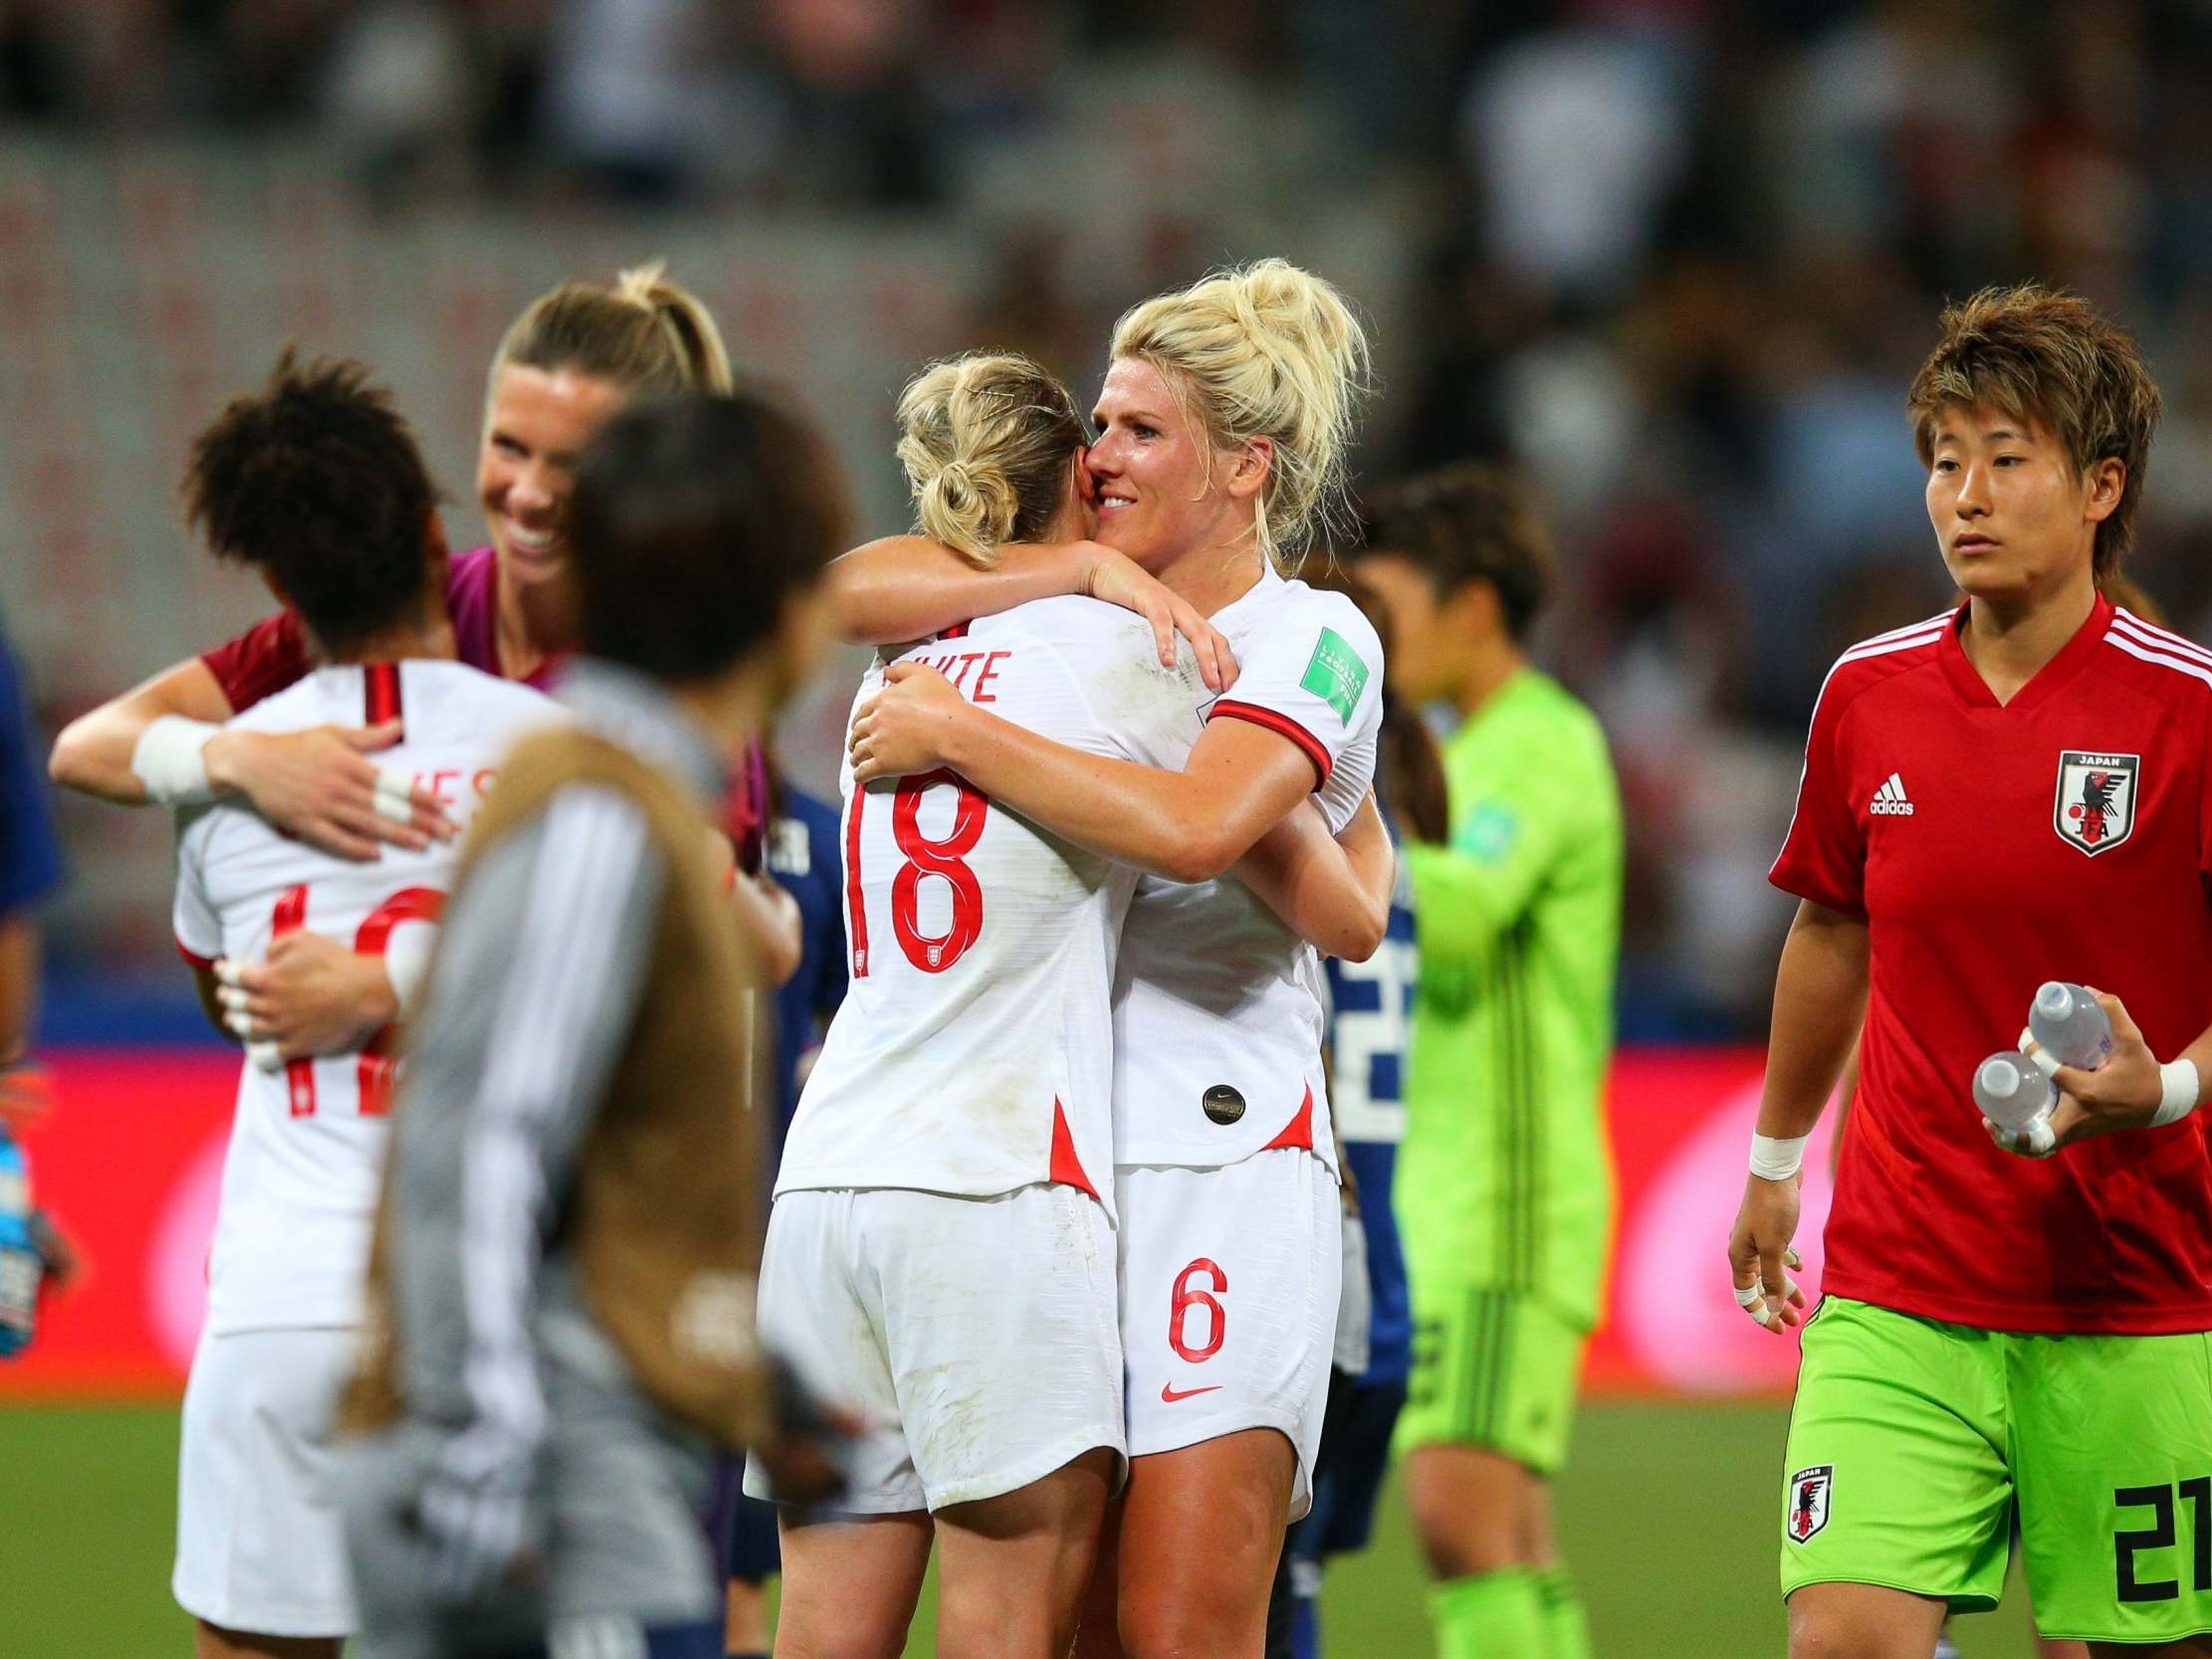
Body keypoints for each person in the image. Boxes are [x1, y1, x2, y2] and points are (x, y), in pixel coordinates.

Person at [844, 259, 1385, 1659]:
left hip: (1217, 1163)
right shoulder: (1071, 618)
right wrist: (1071, 565)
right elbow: (848, 587)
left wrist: (957, 731)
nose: (1098, 453)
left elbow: (1206, 826)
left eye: (1142, 429)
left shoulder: (1310, 633)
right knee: (1058, 1624)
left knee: (1177, 1626)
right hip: (1036, 1181)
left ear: (1245, 466)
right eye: (1097, 422)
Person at [1728, 284, 2212, 1658]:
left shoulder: (2186, 712)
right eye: (1944, 458)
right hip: (1901, 1284)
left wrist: (2166, 1085)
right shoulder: (1864, 694)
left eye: (2007, 457)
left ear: (2101, 485)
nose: (1964, 494)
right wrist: (1773, 1160)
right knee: (1842, 1638)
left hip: (2133, 1294)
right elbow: (1830, 927)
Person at [336, 389, 847, 1659]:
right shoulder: (602, 816)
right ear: (786, 610)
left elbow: (603, 1163)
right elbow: (487, 1134)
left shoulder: (631, 801)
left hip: (591, 1458)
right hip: (543, 1485)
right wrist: (480, 1444)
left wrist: (752, 1386)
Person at [48, 262, 805, 1031]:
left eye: (572, 464)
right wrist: (240, 758)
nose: (531, 492)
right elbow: (89, 747)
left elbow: (645, 931)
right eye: (509, 447)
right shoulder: (405, 605)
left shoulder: (679, 669)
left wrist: (382, 984)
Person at [164, 352, 563, 1659]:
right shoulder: (551, 754)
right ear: (437, 535)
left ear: (277, 588)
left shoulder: (227, 783)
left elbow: (228, 999)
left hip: (275, 1305)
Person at [1344, 463, 1622, 1659]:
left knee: (1459, 1519)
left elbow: (1451, 915)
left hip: (1508, 1202)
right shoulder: (1467, 743)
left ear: (1469, 608)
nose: (1376, 643)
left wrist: (1337, 815)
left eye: (1388, 612)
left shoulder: (1540, 743)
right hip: (1451, 1190)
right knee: (1502, 1535)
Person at [1263, 565, 1444, 1659]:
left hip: (1302, 1256)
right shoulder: (1399, 839)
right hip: (1380, 1276)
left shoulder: (1288, 845)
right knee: (1292, 1580)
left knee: (1241, 1594)